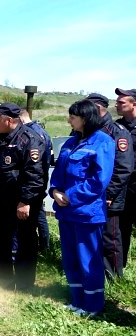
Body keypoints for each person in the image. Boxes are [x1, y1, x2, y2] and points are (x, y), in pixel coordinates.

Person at [50, 99, 115, 316]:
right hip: (66, 212)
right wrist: (55, 191)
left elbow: (99, 180)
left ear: (85, 119)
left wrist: (71, 196)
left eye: (73, 117)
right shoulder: (71, 142)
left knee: (88, 260)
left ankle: (93, 305)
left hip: (86, 213)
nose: (69, 121)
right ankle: (77, 300)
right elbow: (58, 172)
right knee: (70, 258)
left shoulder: (103, 142)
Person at [0, 102, 45, 290]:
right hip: (4, 196)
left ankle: (24, 283)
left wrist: (25, 201)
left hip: (22, 199)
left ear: (9, 120)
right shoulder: (1, 139)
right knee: (1, 235)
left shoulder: (29, 140)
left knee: (25, 240)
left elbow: (35, 174)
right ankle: (1, 276)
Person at [86, 93, 133, 279]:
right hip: (90, 194)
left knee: (109, 238)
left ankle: (113, 277)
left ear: (97, 109)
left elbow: (123, 168)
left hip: (108, 197)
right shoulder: (89, 130)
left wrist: (109, 194)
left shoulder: (117, 132)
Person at [19, 109, 53, 251]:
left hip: (36, 177)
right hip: (41, 176)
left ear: (20, 119)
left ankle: (41, 246)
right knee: (39, 212)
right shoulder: (41, 131)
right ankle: (44, 245)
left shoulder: (31, 133)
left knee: (37, 213)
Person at [115, 87, 136, 269]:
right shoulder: (117, 127)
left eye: (121, 102)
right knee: (122, 228)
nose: (117, 105)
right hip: (123, 186)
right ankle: (119, 269)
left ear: (134, 104)